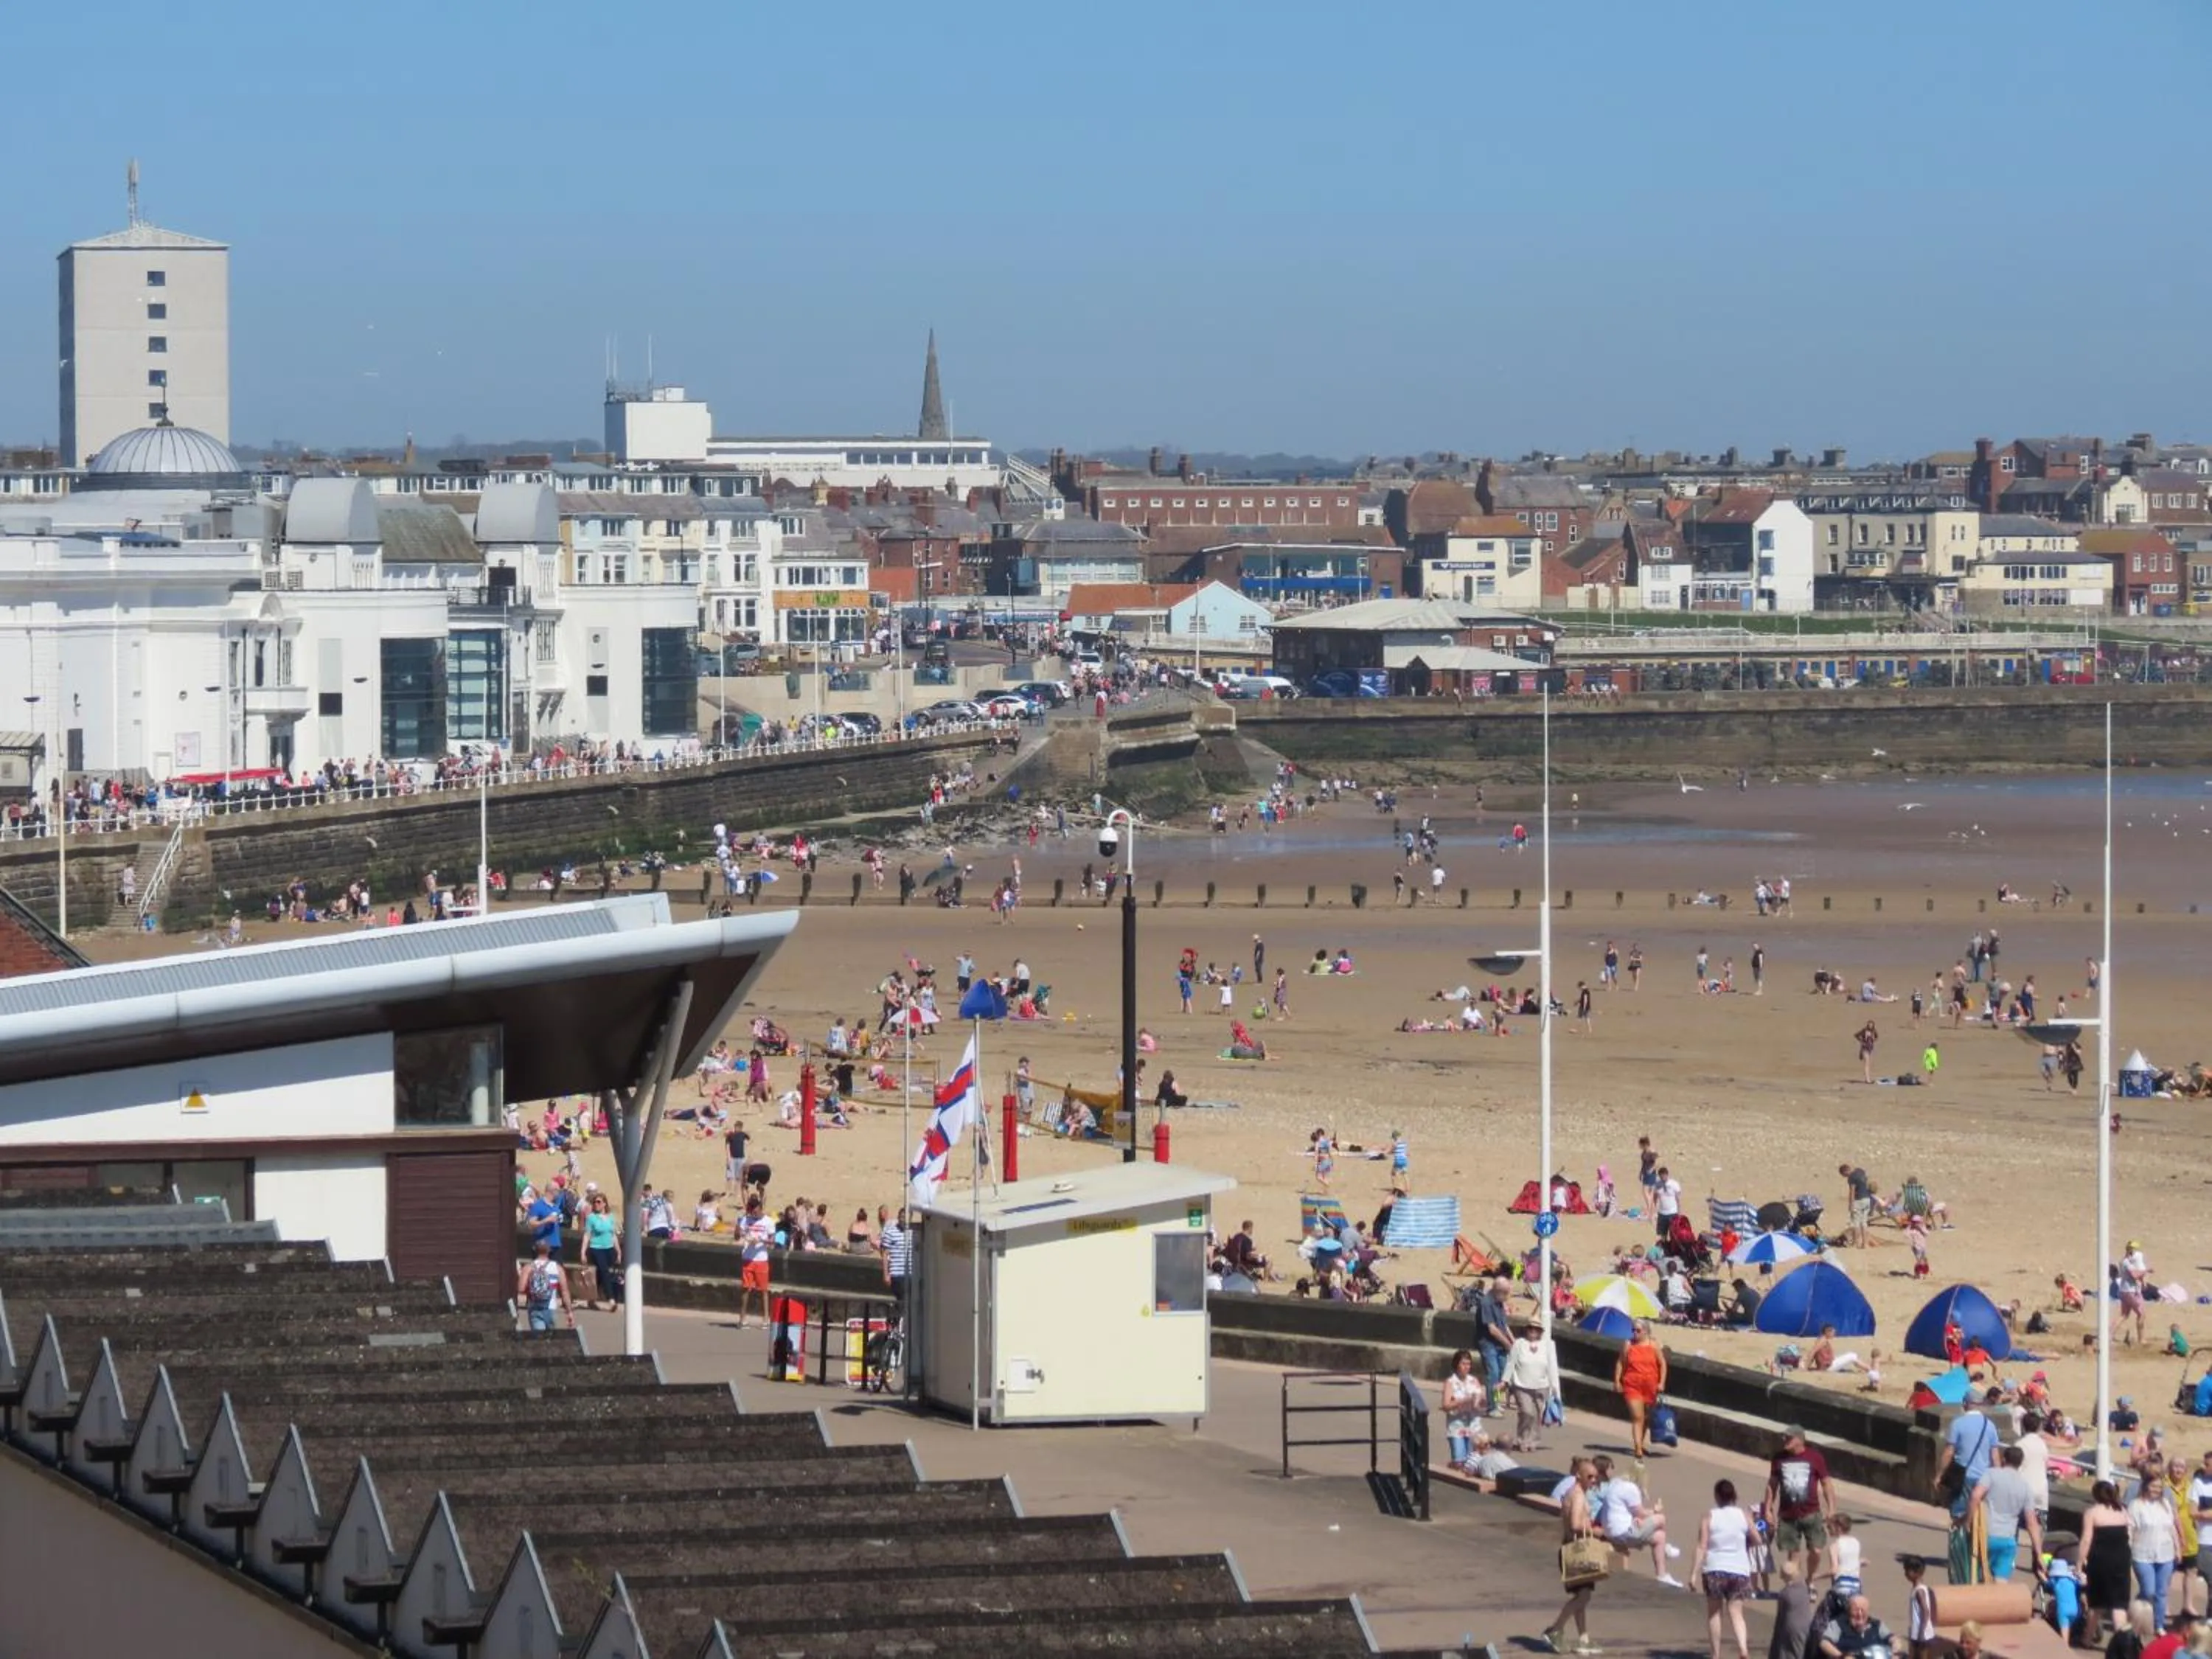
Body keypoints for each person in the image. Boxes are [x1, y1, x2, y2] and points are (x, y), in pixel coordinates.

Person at [1542, 1458, 1605, 1655]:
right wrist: (1597, 1532)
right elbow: (1576, 1525)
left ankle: (1583, 1639)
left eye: (1596, 1476)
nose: (1594, 1480)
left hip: (1572, 1549)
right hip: (1576, 1551)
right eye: (1590, 1476)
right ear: (1578, 1475)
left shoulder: (1573, 1493)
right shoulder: (1577, 1495)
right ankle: (1556, 1629)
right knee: (1584, 1596)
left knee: (1582, 1597)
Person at [1594, 1454, 1683, 1586]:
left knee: (1659, 1537)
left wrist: (1637, 1518)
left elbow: (1625, 1511)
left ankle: (1662, 1575)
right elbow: (1641, 1513)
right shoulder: (1630, 1488)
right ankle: (1666, 1550)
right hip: (1622, 1533)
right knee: (1661, 1519)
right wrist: (1655, 1510)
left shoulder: (1616, 1484)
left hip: (1612, 1530)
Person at [1695, 1478, 1758, 1659]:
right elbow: (1757, 1539)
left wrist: (1693, 1574)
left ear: (1717, 1496)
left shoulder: (1709, 1516)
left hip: (1715, 1568)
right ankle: (1743, 1649)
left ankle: (1716, 1654)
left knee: (1715, 1613)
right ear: (1734, 1496)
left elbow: (1702, 1545)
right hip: (1739, 1569)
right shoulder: (1744, 1515)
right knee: (1737, 1613)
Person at [1767, 1427, 1834, 1585]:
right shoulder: (1779, 1458)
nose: (1784, 1441)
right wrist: (1768, 1509)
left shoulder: (1815, 1457)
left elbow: (1826, 1484)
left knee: (1816, 1550)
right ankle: (1795, 1586)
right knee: (1793, 1555)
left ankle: (1810, 1579)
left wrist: (1831, 1509)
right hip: (1788, 1515)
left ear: (1799, 1440)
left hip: (1811, 1513)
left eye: (1788, 1438)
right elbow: (1772, 1485)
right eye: (1784, 1438)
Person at [1972, 1444, 2041, 1583]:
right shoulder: (2025, 1487)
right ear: (2021, 1463)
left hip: (1986, 1534)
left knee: (1979, 1578)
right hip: (2008, 1539)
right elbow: (2032, 1523)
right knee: (2001, 1583)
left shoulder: (1991, 1474)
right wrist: (2038, 1553)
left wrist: (1968, 1520)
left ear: (2004, 1459)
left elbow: (1976, 1496)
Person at [2080, 1481, 2138, 1645]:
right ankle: (2123, 1645)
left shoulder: (2092, 1513)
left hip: (2100, 1561)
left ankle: (2087, 1638)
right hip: (2121, 1560)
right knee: (2119, 1605)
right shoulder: (2122, 1511)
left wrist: (2079, 1563)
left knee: (2096, 1603)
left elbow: (2086, 1540)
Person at [2132, 1475, 2183, 1632]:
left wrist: (2178, 1548)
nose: (2156, 1490)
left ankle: (2158, 1625)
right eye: (2153, 1486)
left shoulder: (2166, 1504)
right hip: (2142, 1554)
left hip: (2165, 1554)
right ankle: (2137, 1615)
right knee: (2148, 1591)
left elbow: (2171, 1527)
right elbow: (2130, 1528)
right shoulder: (2136, 1505)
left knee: (2161, 1593)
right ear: (2146, 1486)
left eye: (2159, 1487)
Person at [1615, 1320, 1668, 1461]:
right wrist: (1617, 1381)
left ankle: (1641, 1443)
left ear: (1646, 1331)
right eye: (1633, 1330)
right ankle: (1638, 1448)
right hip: (1632, 1385)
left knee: (1646, 1417)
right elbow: (1620, 1363)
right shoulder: (1628, 1345)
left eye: (1638, 1331)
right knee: (1637, 1417)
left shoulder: (1654, 1345)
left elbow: (1662, 1364)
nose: (1634, 1333)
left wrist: (1661, 1383)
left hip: (1650, 1386)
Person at [1504, 1324, 1560, 1452]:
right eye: (1531, 1329)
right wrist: (1505, 1381)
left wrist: (1555, 1387)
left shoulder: (1549, 1345)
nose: (1533, 1332)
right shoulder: (1519, 1344)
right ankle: (1522, 1439)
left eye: (1537, 1329)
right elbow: (1511, 1363)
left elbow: (1552, 1366)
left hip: (1542, 1386)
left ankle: (1533, 1440)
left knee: (1537, 1415)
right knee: (1526, 1412)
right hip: (1521, 1385)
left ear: (1541, 1331)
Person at [516, 1239, 574, 1333]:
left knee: (539, 1340)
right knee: (550, 1340)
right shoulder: (557, 1268)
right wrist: (569, 1312)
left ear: (535, 1250)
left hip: (534, 1307)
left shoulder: (528, 1267)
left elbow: (521, 1288)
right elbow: (564, 1291)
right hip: (551, 1308)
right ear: (549, 1251)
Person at [1443, 1349, 1488, 1470]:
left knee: (1472, 1462)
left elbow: (1480, 1405)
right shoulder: (1450, 1382)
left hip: (1474, 1426)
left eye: (1468, 1364)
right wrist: (1463, 1401)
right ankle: (1453, 1466)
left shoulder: (1474, 1381)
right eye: (1463, 1364)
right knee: (1459, 1462)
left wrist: (1482, 1402)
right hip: (1457, 1426)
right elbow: (1446, 1406)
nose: (1466, 1367)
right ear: (1457, 1364)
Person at [1816, 1594, 1895, 1659]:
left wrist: (1895, 1652)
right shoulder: (1838, 1624)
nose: (1859, 1614)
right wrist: (1841, 1656)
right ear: (1849, 1611)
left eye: (1863, 1610)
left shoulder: (1876, 1625)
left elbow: (1894, 1639)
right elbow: (1824, 1643)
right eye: (1856, 1610)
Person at [735, 1196, 773, 1329]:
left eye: (755, 1209)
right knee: (746, 1289)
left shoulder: (768, 1221)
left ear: (760, 1208)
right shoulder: (746, 1219)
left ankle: (766, 1319)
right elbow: (737, 1236)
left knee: (764, 1290)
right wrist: (738, 1227)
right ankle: (742, 1318)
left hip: (761, 1259)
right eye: (751, 1210)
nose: (753, 1213)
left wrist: (761, 1241)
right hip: (748, 1258)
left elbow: (772, 1241)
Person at [580, 1189, 622, 1310]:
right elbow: (587, 1235)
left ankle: (591, 1299)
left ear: (604, 1204)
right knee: (605, 1272)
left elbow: (613, 1235)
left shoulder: (610, 1217)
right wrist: (583, 1252)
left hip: (609, 1248)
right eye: (594, 1202)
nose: (596, 1205)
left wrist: (618, 1252)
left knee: (600, 1275)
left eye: (599, 1202)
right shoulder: (591, 1218)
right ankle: (611, 1300)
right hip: (596, 1248)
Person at [1902, 1556, 1936, 1659]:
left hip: (1921, 1634)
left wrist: (1921, 1633)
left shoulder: (1919, 1591)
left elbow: (1926, 1612)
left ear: (1915, 1573)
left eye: (1907, 1571)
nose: (1905, 1574)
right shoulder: (1920, 1589)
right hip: (1918, 1632)